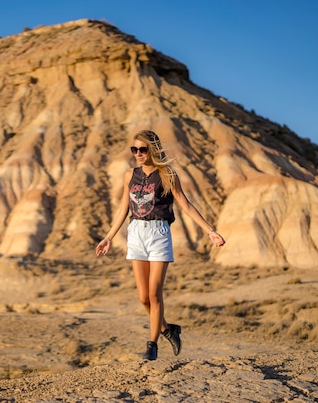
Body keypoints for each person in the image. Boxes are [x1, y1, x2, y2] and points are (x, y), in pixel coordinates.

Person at [95, 130, 226, 361]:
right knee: (143, 298)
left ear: (152, 150)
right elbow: (123, 208)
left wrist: (210, 231)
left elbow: (185, 204)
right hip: (135, 233)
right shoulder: (129, 175)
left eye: (142, 149)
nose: (138, 154)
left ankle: (152, 345)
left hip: (159, 233)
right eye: (134, 150)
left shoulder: (167, 174)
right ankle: (167, 329)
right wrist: (109, 237)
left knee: (155, 294)